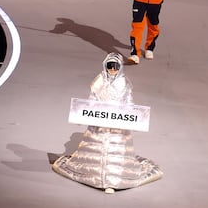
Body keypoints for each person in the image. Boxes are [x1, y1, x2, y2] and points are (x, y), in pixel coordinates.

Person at [52, 52, 163, 192]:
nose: (112, 69)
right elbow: (91, 99)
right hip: (100, 122)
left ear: (120, 67)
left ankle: (113, 180)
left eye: (115, 67)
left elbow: (129, 102)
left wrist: (130, 114)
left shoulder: (124, 83)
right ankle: (96, 177)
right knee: (97, 148)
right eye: (110, 66)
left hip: (117, 124)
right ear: (105, 66)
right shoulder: (99, 81)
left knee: (116, 150)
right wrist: (86, 112)